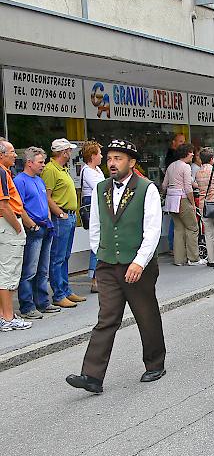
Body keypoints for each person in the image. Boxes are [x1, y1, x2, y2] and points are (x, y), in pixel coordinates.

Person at [66, 139, 166, 394]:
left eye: (118, 158)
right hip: (108, 264)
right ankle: (92, 376)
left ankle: (155, 363)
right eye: (110, 158)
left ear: (131, 163)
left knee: (146, 314)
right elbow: (96, 225)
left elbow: (152, 230)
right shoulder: (101, 188)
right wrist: (100, 253)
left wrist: (139, 262)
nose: (112, 163)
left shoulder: (147, 188)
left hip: (137, 264)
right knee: (106, 318)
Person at [14, 147, 60, 320]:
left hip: (45, 227)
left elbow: (45, 202)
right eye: (40, 162)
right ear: (29, 162)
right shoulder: (20, 181)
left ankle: (43, 301)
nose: (43, 165)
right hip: (34, 229)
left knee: (43, 269)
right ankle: (27, 306)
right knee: (30, 269)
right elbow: (19, 207)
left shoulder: (39, 180)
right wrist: (31, 225)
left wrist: (48, 219)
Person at [41, 138, 85, 308]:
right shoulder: (51, 169)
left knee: (65, 256)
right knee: (58, 257)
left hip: (69, 215)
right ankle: (59, 294)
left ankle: (65, 290)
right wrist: (60, 213)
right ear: (63, 152)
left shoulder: (63, 168)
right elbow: (47, 196)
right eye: (69, 150)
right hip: (62, 216)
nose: (71, 153)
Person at [0, 140, 31, 332]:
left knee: (4, 271)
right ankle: (8, 317)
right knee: (8, 273)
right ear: (1, 154)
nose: (15, 155)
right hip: (7, 224)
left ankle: (4, 315)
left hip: (4, 225)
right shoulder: (2, 172)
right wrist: (17, 227)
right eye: (11, 152)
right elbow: (4, 205)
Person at [162, 144, 206, 266]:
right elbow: (188, 187)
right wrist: (192, 203)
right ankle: (194, 258)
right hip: (182, 199)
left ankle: (179, 260)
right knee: (193, 228)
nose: (193, 154)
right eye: (191, 152)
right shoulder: (186, 167)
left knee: (178, 229)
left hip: (171, 200)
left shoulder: (171, 166)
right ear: (186, 153)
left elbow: (164, 185)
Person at [80, 141, 105, 293]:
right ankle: (95, 279)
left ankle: (99, 277)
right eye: (100, 153)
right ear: (93, 155)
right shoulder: (88, 171)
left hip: (98, 205)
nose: (102, 156)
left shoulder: (97, 170)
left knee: (102, 241)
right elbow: (101, 188)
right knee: (97, 241)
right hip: (93, 205)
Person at [195, 147, 214, 269]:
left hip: (203, 205)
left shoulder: (198, 172)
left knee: (208, 232)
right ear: (212, 159)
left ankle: (211, 260)